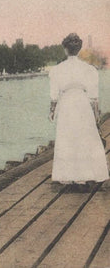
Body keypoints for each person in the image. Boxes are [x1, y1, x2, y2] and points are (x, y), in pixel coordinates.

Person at [48, 33, 109, 189]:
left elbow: (54, 96)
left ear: (65, 49)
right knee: (86, 137)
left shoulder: (57, 70)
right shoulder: (88, 69)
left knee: (68, 138)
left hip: (67, 104)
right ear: (79, 49)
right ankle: (88, 173)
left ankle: (70, 175)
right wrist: (96, 115)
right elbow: (94, 97)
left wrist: (52, 112)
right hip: (82, 104)